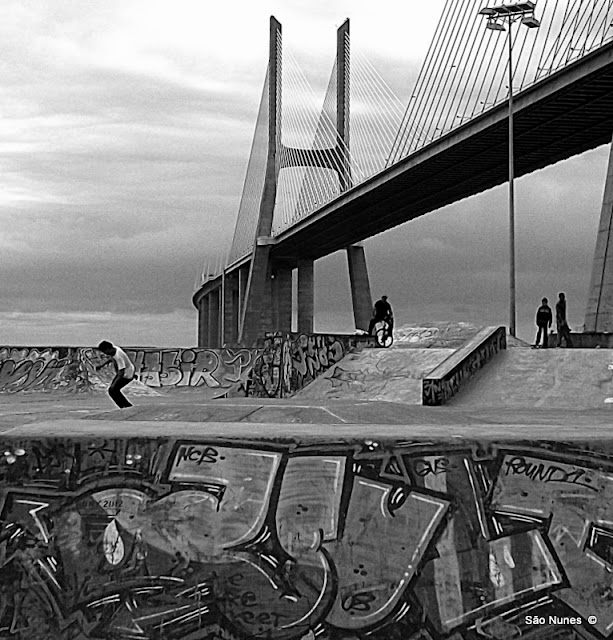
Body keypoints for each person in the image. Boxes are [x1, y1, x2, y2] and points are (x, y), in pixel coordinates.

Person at [96, 340, 135, 408]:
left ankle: (125, 406)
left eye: (105, 351)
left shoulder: (118, 356)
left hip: (127, 374)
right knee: (113, 390)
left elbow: (121, 372)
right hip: (127, 370)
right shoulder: (115, 349)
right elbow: (112, 358)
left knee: (113, 390)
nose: (105, 354)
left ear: (109, 349)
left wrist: (114, 384)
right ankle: (126, 406)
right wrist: (102, 365)